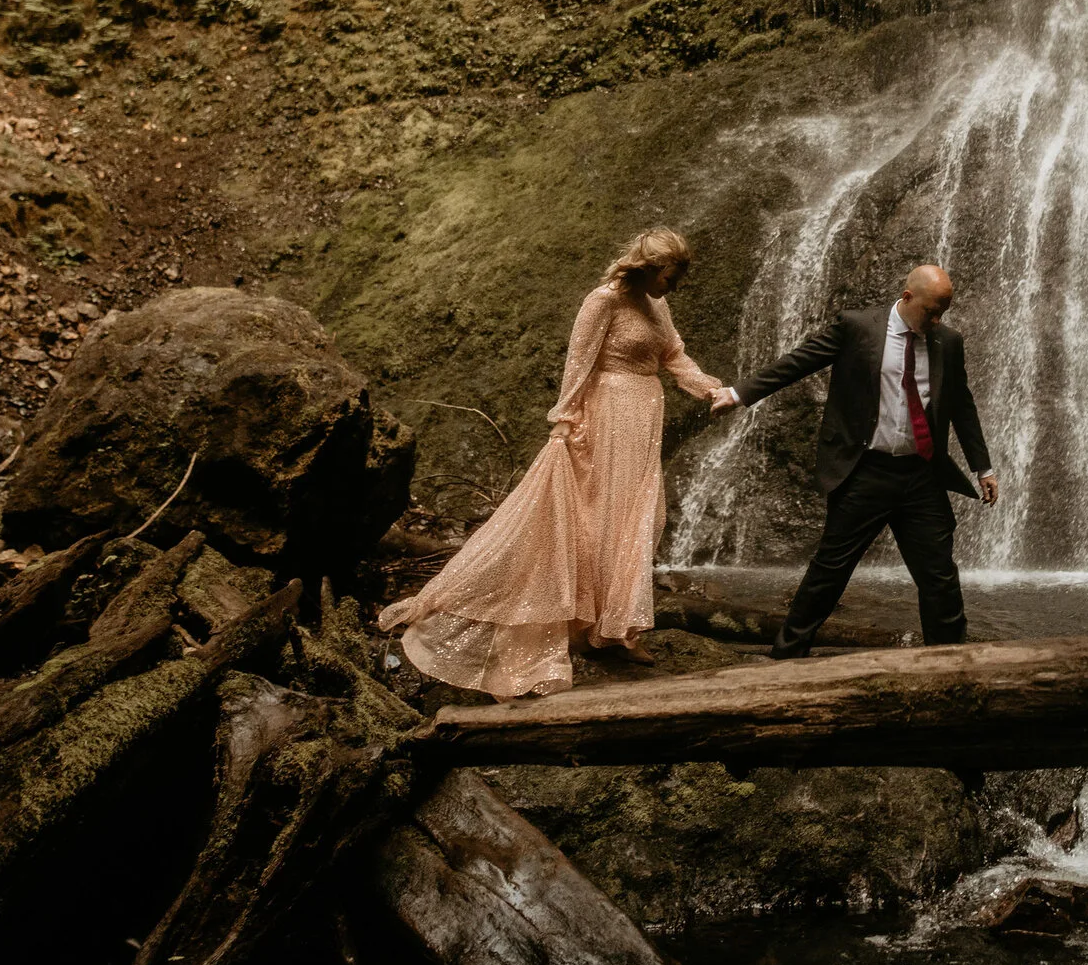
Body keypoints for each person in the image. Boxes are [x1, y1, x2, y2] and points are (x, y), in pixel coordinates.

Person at [379, 228, 727, 698]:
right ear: (648, 268)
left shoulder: (657, 304)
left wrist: (711, 389)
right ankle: (591, 626)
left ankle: (616, 627)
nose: (675, 286)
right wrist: (566, 418)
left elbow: (674, 356)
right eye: (671, 275)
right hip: (604, 412)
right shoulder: (604, 300)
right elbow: (578, 361)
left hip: (644, 414)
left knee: (636, 518)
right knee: (598, 519)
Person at [708, 263, 997, 657]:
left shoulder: (948, 340)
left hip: (921, 476)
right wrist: (739, 394)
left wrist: (983, 467)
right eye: (931, 310)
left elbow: (963, 407)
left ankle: (947, 659)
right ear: (908, 297)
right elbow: (800, 361)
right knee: (830, 570)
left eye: (943, 311)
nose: (936, 319)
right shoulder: (859, 327)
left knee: (940, 576)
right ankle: (787, 654)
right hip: (866, 471)